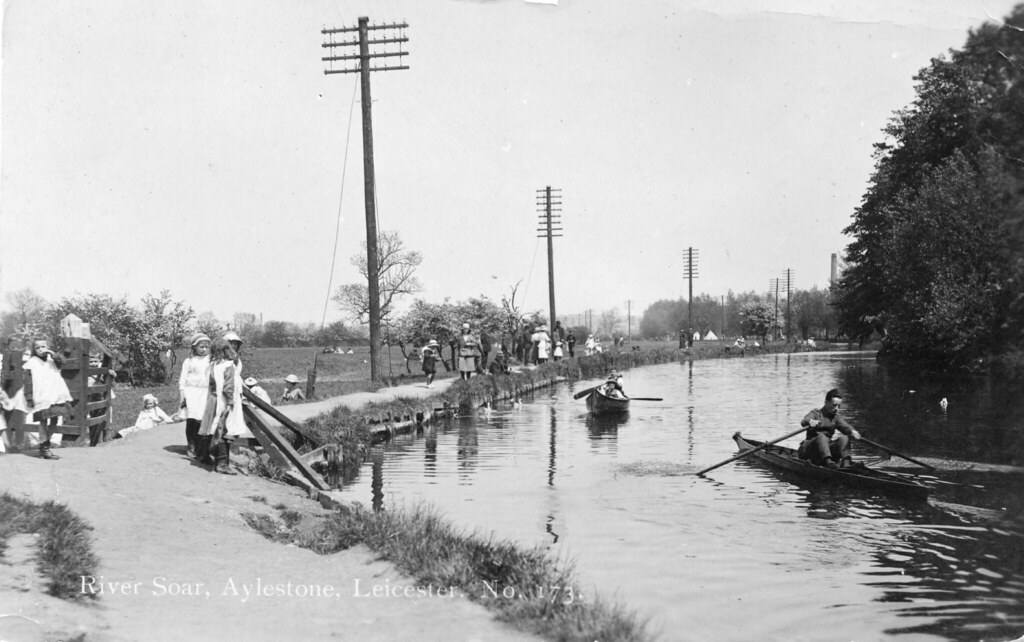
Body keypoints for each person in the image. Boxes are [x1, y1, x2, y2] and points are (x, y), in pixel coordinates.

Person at [198, 335, 247, 475]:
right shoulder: (228, 366)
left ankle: (211, 457)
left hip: (214, 401)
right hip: (226, 402)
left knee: (215, 429)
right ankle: (222, 463)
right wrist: (231, 401)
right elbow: (228, 387)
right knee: (226, 431)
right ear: (226, 350)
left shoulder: (213, 366)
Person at [23, 337, 73, 460]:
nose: (41, 349)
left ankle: (45, 443)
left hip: (55, 395)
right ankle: (44, 448)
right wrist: (29, 397)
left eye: (43, 347)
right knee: (43, 421)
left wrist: (53, 354)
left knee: (55, 420)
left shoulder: (53, 360)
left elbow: (63, 363)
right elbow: (28, 382)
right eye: (37, 347)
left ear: (47, 347)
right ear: (34, 350)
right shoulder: (32, 362)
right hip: (41, 396)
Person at [798, 388, 861, 469]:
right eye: (834, 405)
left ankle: (846, 463)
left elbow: (846, 427)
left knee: (844, 438)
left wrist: (853, 432)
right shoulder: (816, 413)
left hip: (824, 450)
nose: (837, 408)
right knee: (822, 437)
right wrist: (810, 421)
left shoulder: (836, 417)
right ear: (826, 402)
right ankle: (828, 463)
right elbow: (804, 422)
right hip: (809, 452)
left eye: (839, 406)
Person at [177, 332, 211, 458]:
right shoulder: (189, 361)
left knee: (201, 420)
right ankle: (191, 446)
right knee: (191, 420)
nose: (204, 349)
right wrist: (182, 395)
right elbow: (183, 379)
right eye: (201, 347)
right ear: (194, 347)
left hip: (204, 392)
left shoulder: (211, 360)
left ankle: (201, 446)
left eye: (206, 347)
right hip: (191, 392)